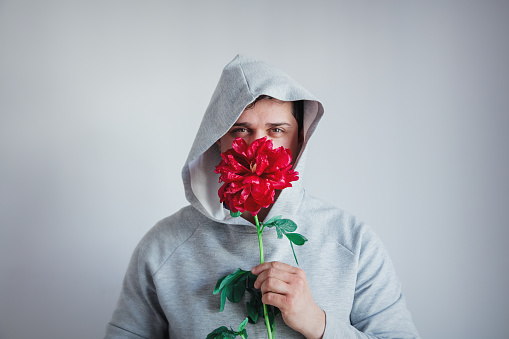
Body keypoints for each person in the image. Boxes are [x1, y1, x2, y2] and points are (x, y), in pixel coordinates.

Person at [105, 54, 420, 338]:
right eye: (241, 130)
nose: (258, 147)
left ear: (300, 140)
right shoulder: (162, 247)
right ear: (217, 141)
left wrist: (318, 323)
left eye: (277, 130)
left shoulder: (353, 242)